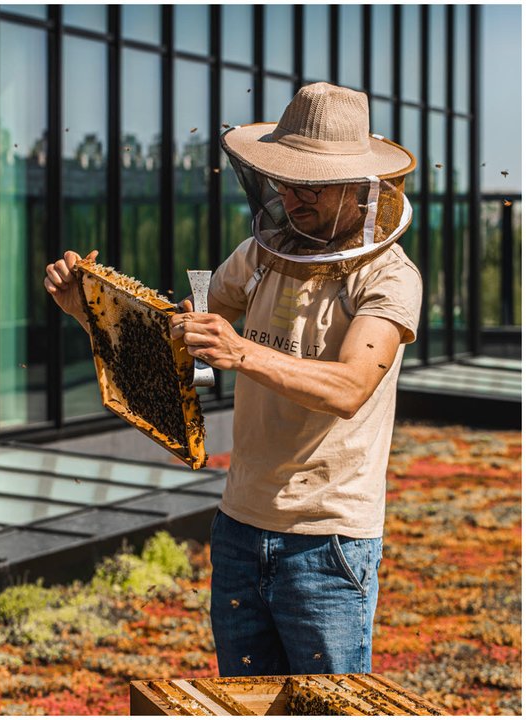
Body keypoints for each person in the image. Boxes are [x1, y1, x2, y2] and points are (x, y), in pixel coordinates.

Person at [44, 82, 421, 676]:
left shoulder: (389, 279)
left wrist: (241, 352)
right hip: (241, 526)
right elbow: (182, 335)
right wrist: (90, 310)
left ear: (358, 186)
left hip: (329, 542)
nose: (293, 197)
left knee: (327, 713)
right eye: (285, 180)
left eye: (312, 185)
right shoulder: (259, 254)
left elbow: (349, 388)